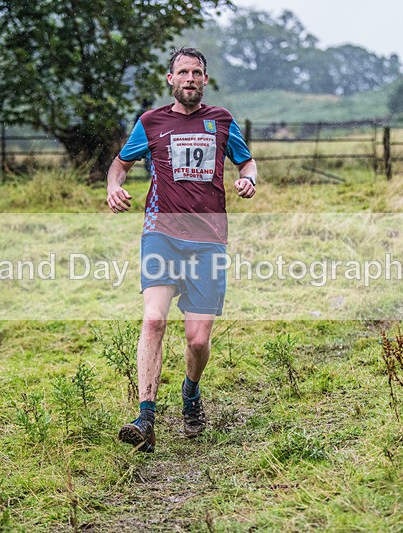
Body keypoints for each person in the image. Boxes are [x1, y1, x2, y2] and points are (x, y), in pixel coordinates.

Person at [106, 47, 257, 453]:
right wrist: (114, 186)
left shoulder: (222, 121)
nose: (189, 78)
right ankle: (146, 417)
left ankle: (190, 394)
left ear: (205, 80)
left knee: (196, 339)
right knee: (154, 320)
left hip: (208, 241)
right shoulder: (151, 122)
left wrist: (249, 180)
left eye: (197, 72)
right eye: (182, 72)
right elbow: (120, 164)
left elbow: (247, 163)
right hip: (161, 233)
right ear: (170, 79)